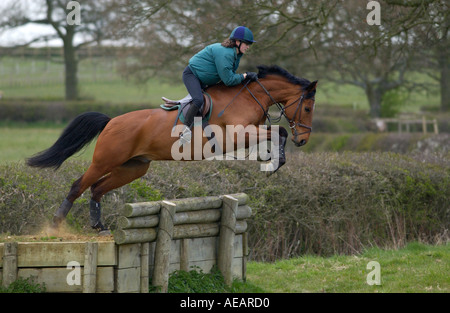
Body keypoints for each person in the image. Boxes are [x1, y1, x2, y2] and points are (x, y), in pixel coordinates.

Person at [179, 26, 258, 145]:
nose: (248, 46)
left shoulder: (235, 54)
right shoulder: (226, 54)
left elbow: (228, 76)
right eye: (247, 43)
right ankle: (184, 131)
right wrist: (245, 76)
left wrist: (244, 78)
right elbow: (229, 80)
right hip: (192, 76)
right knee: (198, 100)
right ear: (237, 42)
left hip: (205, 80)